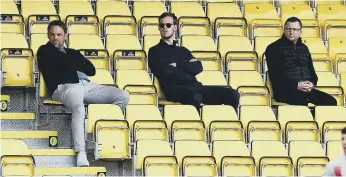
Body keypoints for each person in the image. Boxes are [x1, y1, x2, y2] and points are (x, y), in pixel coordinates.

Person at [37, 20, 130, 167]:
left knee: (123, 96)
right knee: (79, 108)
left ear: (65, 35)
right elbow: (59, 65)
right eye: (52, 34)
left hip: (86, 85)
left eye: (59, 34)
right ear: (48, 36)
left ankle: (99, 134)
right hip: (65, 87)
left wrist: (70, 62)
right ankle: (81, 152)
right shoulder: (44, 50)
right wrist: (74, 62)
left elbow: (91, 70)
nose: (55, 38)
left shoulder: (72, 52)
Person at [148, 12, 239, 111]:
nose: (165, 28)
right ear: (159, 28)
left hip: (196, 87)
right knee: (194, 96)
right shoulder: (154, 51)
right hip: (175, 90)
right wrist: (187, 68)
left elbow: (198, 67)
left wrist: (177, 65)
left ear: (174, 27)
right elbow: (166, 73)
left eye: (168, 25)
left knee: (231, 93)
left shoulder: (183, 51)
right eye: (162, 25)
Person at [265, 17, 337, 106]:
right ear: (284, 30)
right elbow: (275, 75)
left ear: (300, 32)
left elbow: (312, 72)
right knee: (302, 100)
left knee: (331, 101)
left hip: (306, 90)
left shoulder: (304, 48)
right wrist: (296, 85)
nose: (291, 32)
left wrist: (311, 84)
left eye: (295, 29)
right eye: (288, 29)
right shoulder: (273, 48)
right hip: (285, 90)